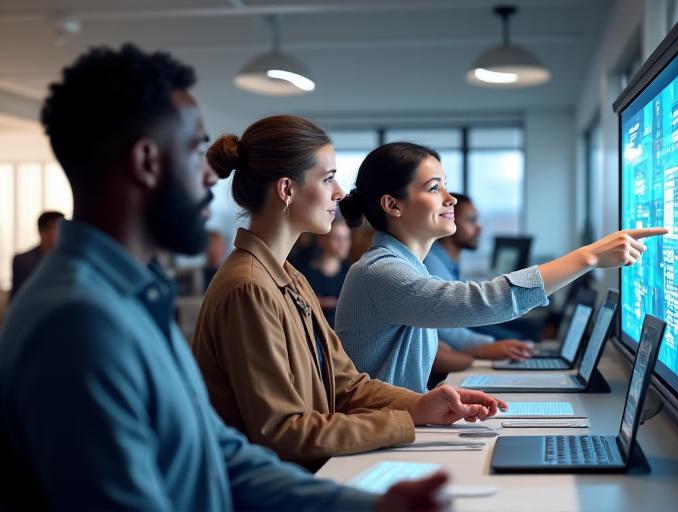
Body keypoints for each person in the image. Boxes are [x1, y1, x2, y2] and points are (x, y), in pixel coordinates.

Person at [0, 45, 448, 511]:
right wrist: (404, 424)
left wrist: (370, 506)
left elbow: (220, 455)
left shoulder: (131, 296)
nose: (209, 177)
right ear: (147, 161)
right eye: (195, 151)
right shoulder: (79, 320)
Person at [193, 115, 505, 471]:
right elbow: (283, 433)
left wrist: (420, 406)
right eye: (328, 179)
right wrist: (405, 421)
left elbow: (346, 385)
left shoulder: (288, 277)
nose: (340, 192)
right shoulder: (249, 287)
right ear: (286, 190)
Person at [335, 142, 667, 392]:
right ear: (392, 205)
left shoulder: (408, 267)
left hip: (398, 423)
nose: (450, 198)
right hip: (376, 434)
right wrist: (588, 257)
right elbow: (484, 302)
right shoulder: (381, 271)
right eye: (434, 188)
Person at [423, 193, 536, 361]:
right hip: (454, 337)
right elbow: (442, 324)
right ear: (446, 220)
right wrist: (485, 347)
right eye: (470, 220)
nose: (479, 228)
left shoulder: (445, 261)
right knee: (526, 335)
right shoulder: (432, 264)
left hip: (462, 329)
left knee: (526, 330)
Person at [303, 218, 351, 327]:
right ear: (322, 239)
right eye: (337, 238)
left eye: (347, 238)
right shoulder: (305, 273)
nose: (344, 243)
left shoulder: (352, 272)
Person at [9, 210, 64, 301]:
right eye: (57, 229)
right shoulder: (23, 261)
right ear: (43, 232)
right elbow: (16, 298)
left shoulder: (67, 260)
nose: (62, 234)